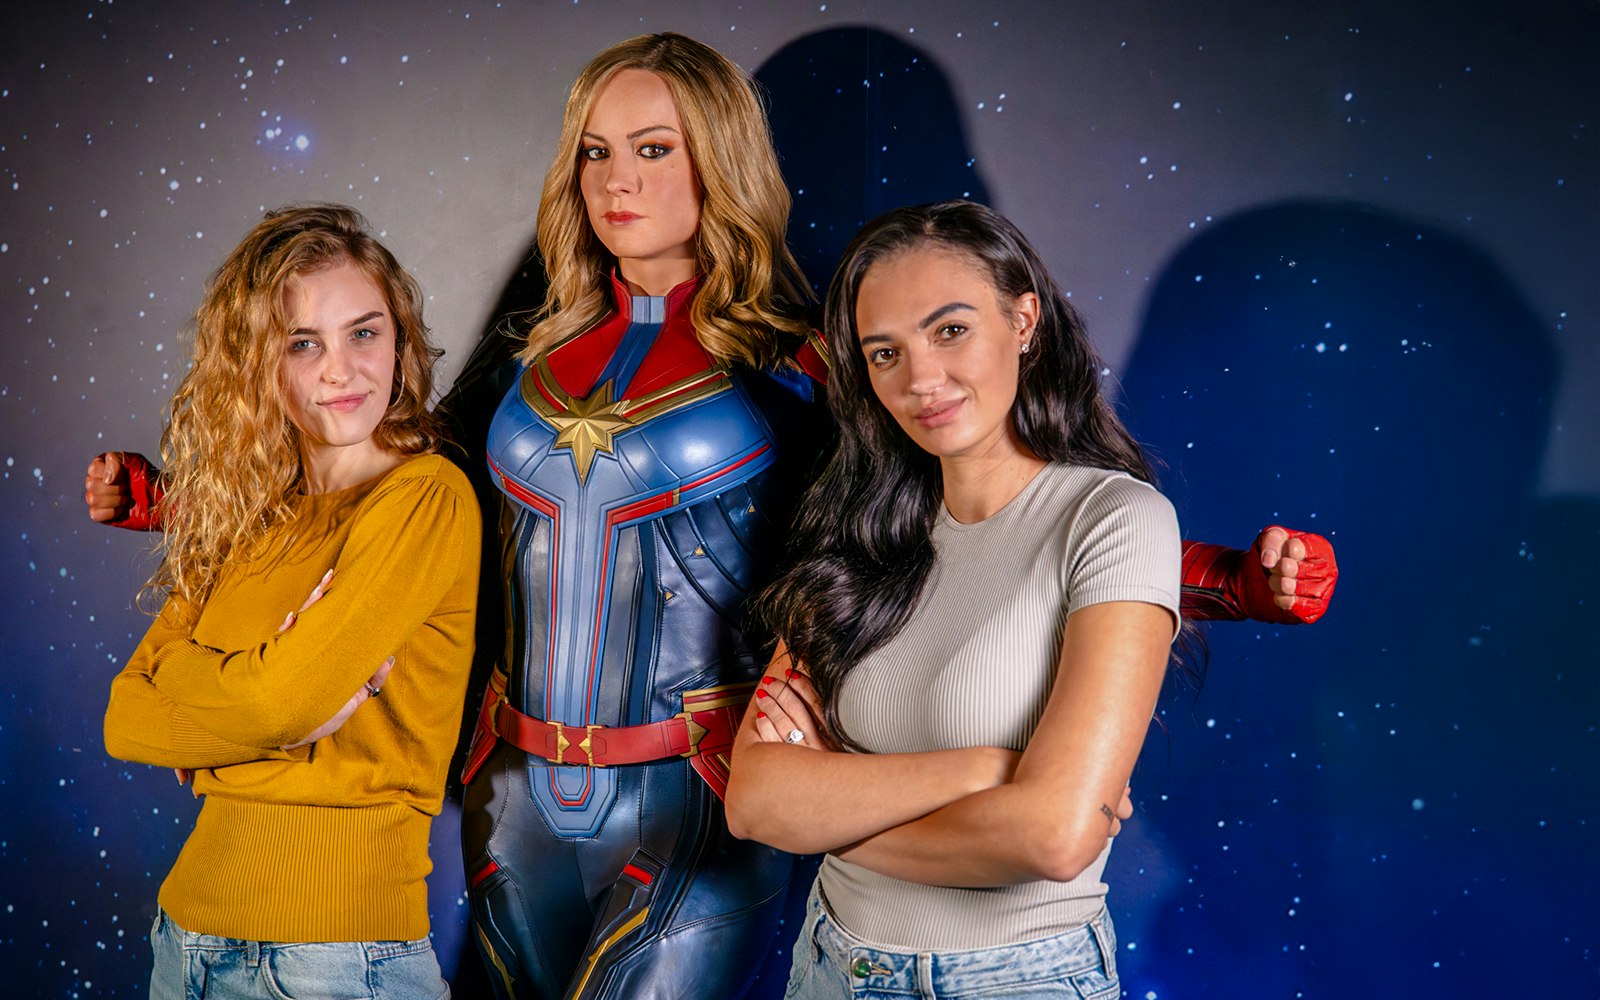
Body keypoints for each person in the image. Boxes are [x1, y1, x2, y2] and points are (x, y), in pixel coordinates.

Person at [86, 35, 1334, 1000]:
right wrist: (179, 502)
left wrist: (1229, 579)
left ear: (717, 159)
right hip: (510, 799)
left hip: (695, 804)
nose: (617, 181)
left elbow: (989, 500)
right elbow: (395, 492)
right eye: (595, 152)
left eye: (654, 148)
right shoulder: (533, 348)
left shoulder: (802, 354)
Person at [724, 200, 1198, 998]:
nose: (920, 380)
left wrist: (830, 820)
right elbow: (755, 800)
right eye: (885, 353)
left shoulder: (1114, 520)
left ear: (1024, 321)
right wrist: (988, 771)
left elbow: (1054, 837)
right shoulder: (854, 533)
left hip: (1015, 980)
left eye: (950, 330)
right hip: (831, 966)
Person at [101, 204, 480, 999]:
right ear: (258, 366)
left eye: (364, 333)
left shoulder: (424, 500)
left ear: (401, 342)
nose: (340, 370)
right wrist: (260, 714)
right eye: (302, 343)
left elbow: (280, 701)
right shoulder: (251, 516)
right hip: (184, 937)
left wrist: (210, 698)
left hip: (335, 959)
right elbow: (123, 716)